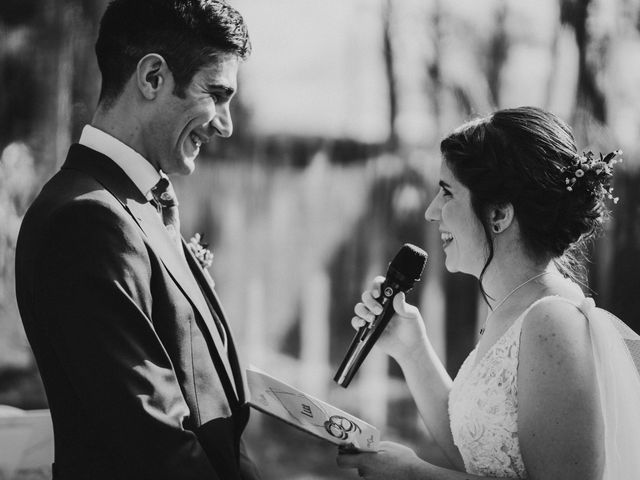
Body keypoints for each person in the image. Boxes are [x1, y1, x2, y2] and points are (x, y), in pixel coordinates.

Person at [14, 1, 261, 479]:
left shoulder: (137, 203)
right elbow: (156, 446)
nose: (227, 124)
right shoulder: (86, 221)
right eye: (216, 93)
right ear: (152, 78)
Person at [336, 106, 640, 479]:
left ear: (498, 215)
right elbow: (476, 451)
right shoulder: (517, 308)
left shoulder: (552, 322)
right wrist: (411, 349)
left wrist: (413, 474)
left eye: (447, 194)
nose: (432, 212)